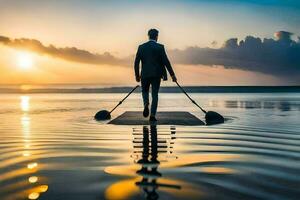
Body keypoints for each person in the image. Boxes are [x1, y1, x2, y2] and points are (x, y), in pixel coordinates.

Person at [134, 28, 177, 121]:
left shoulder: (141, 47)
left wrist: (137, 75)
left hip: (144, 74)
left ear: (148, 36)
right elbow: (166, 62)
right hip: (156, 74)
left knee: (144, 91)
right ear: (157, 37)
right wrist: (172, 75)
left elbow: (136, 62)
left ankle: (146, 103)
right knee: (155, 94)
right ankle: (152, 115)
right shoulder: (160, 47)